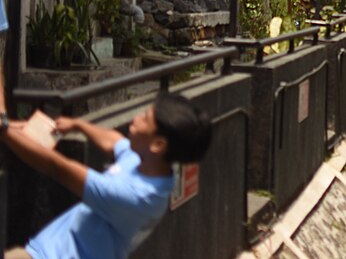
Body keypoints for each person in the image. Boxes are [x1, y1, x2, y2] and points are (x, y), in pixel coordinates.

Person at [0, 63, 212, 259]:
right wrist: (78, 125)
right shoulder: (151, 165)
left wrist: (3, 130)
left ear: (157, 144)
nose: (136, 119)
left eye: (145, 118)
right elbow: (114, 142)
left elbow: (57, 167)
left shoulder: (135, 196)